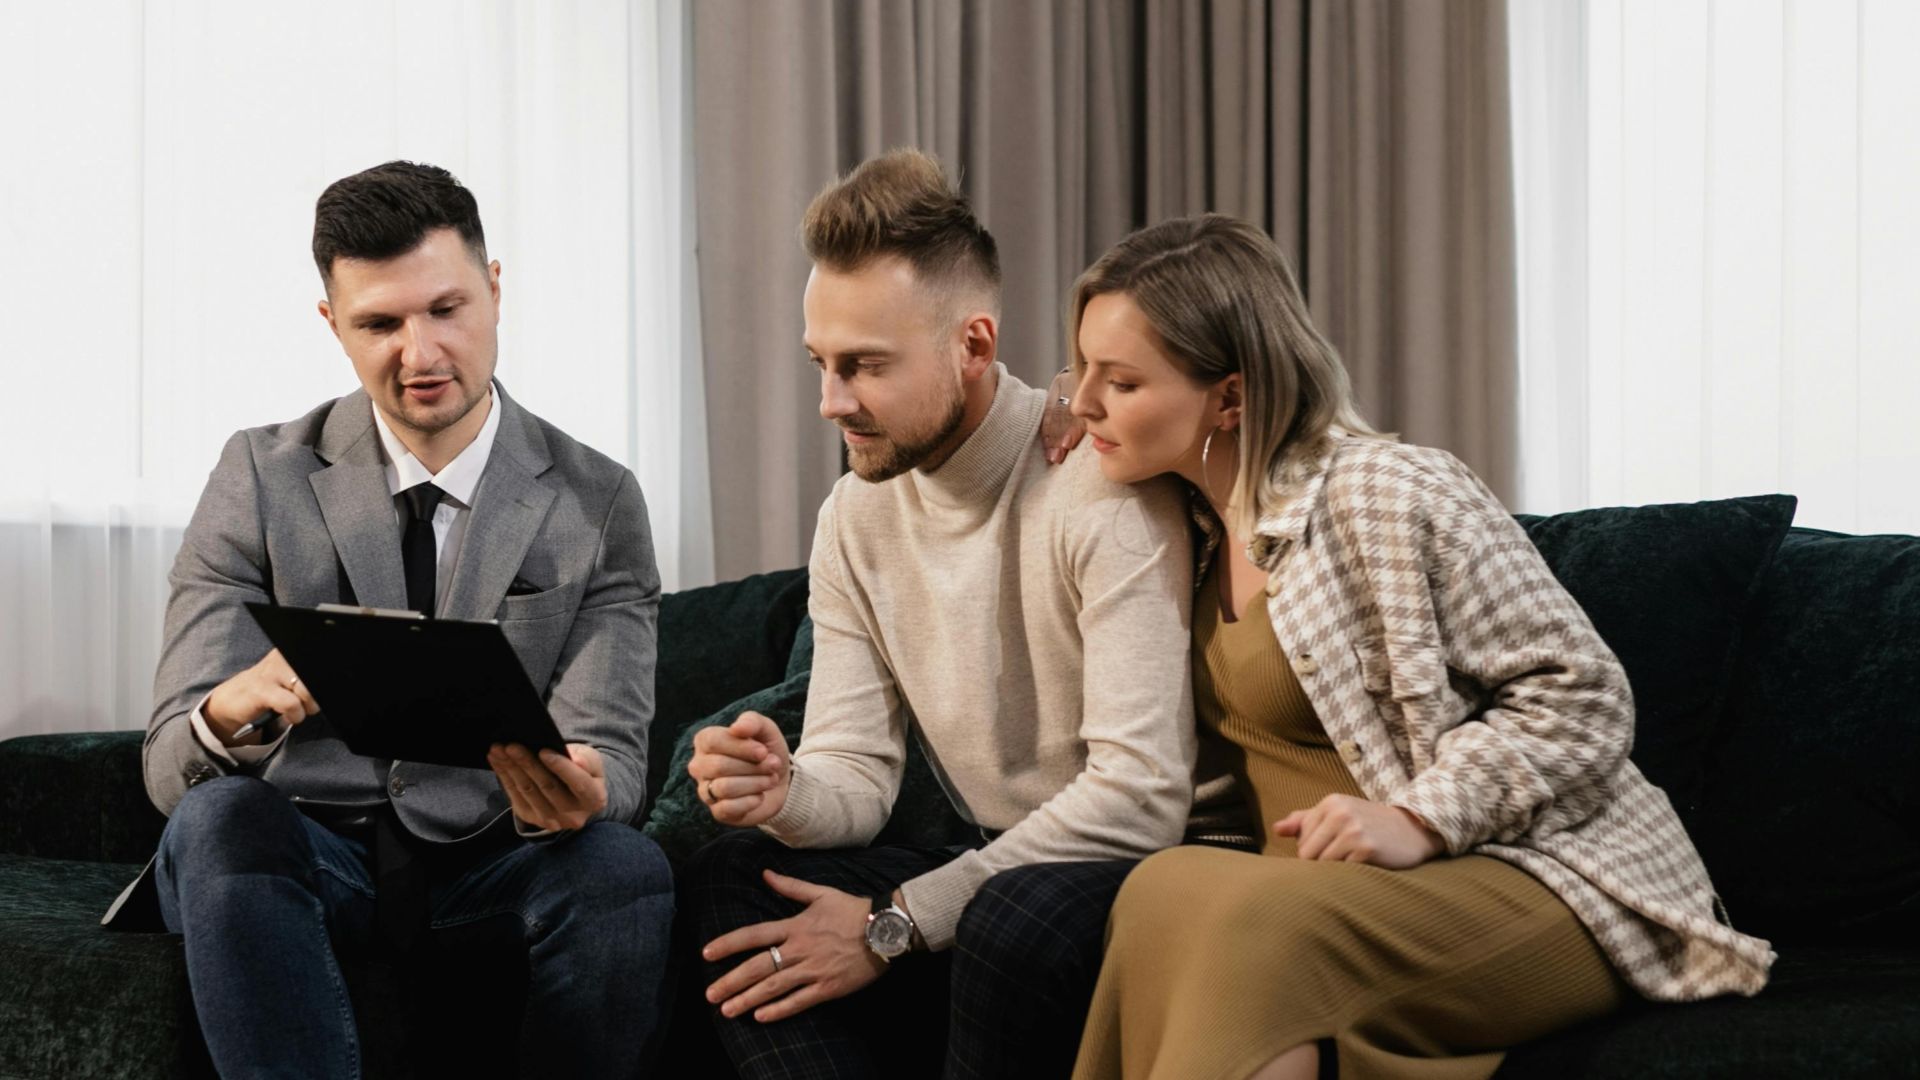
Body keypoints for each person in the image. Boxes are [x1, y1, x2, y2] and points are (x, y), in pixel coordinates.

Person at [1047, 214, 1774, 1080]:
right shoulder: (1182, 533)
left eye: (1119, 381)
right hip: (1318, 893)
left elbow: (1581, 693)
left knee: (1249, 927)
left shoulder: (1387, 492)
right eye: (1080, 367)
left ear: (1231, 398)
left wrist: (1419, 817)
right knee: (1163, 890)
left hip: (1526, 873)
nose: (1082, 400)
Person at [117, 160, 674, 1077]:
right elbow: (171, 774)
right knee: (220, 820)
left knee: (622, 866)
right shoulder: (258, 476)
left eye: (446, 310)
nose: (419, 355)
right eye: (379, 323)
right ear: (333, 324)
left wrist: (585, 788)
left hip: (495, 861)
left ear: (495, 292)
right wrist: (228, 711)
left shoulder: (601, 500)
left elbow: (612, 757)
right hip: (302, 849)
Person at [679, 149, 1198, 1079]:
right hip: (988, 867)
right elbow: (858, 773)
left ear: (974, 344)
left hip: (1131, 871)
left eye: (866, 366)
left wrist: (896, 924)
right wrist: (782, 791)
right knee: (734, 877)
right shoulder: (856, 515)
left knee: (1009, 916)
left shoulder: (1100, 489)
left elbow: (1139, 798)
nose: (834, 402)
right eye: (822, 365)